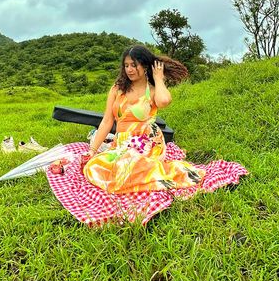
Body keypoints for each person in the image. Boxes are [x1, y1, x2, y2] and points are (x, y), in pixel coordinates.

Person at [83, 45, 205, 193]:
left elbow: (164, 101)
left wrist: (159, 79)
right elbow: (107, 121)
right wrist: (92, 150)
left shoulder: (152, 91)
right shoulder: (118, 88)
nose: (129, 69)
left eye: (134, 65)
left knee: (129, 169)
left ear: (145, 66)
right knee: (94, 166)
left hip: (147, 143)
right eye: (126, 65)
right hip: (121, 143)